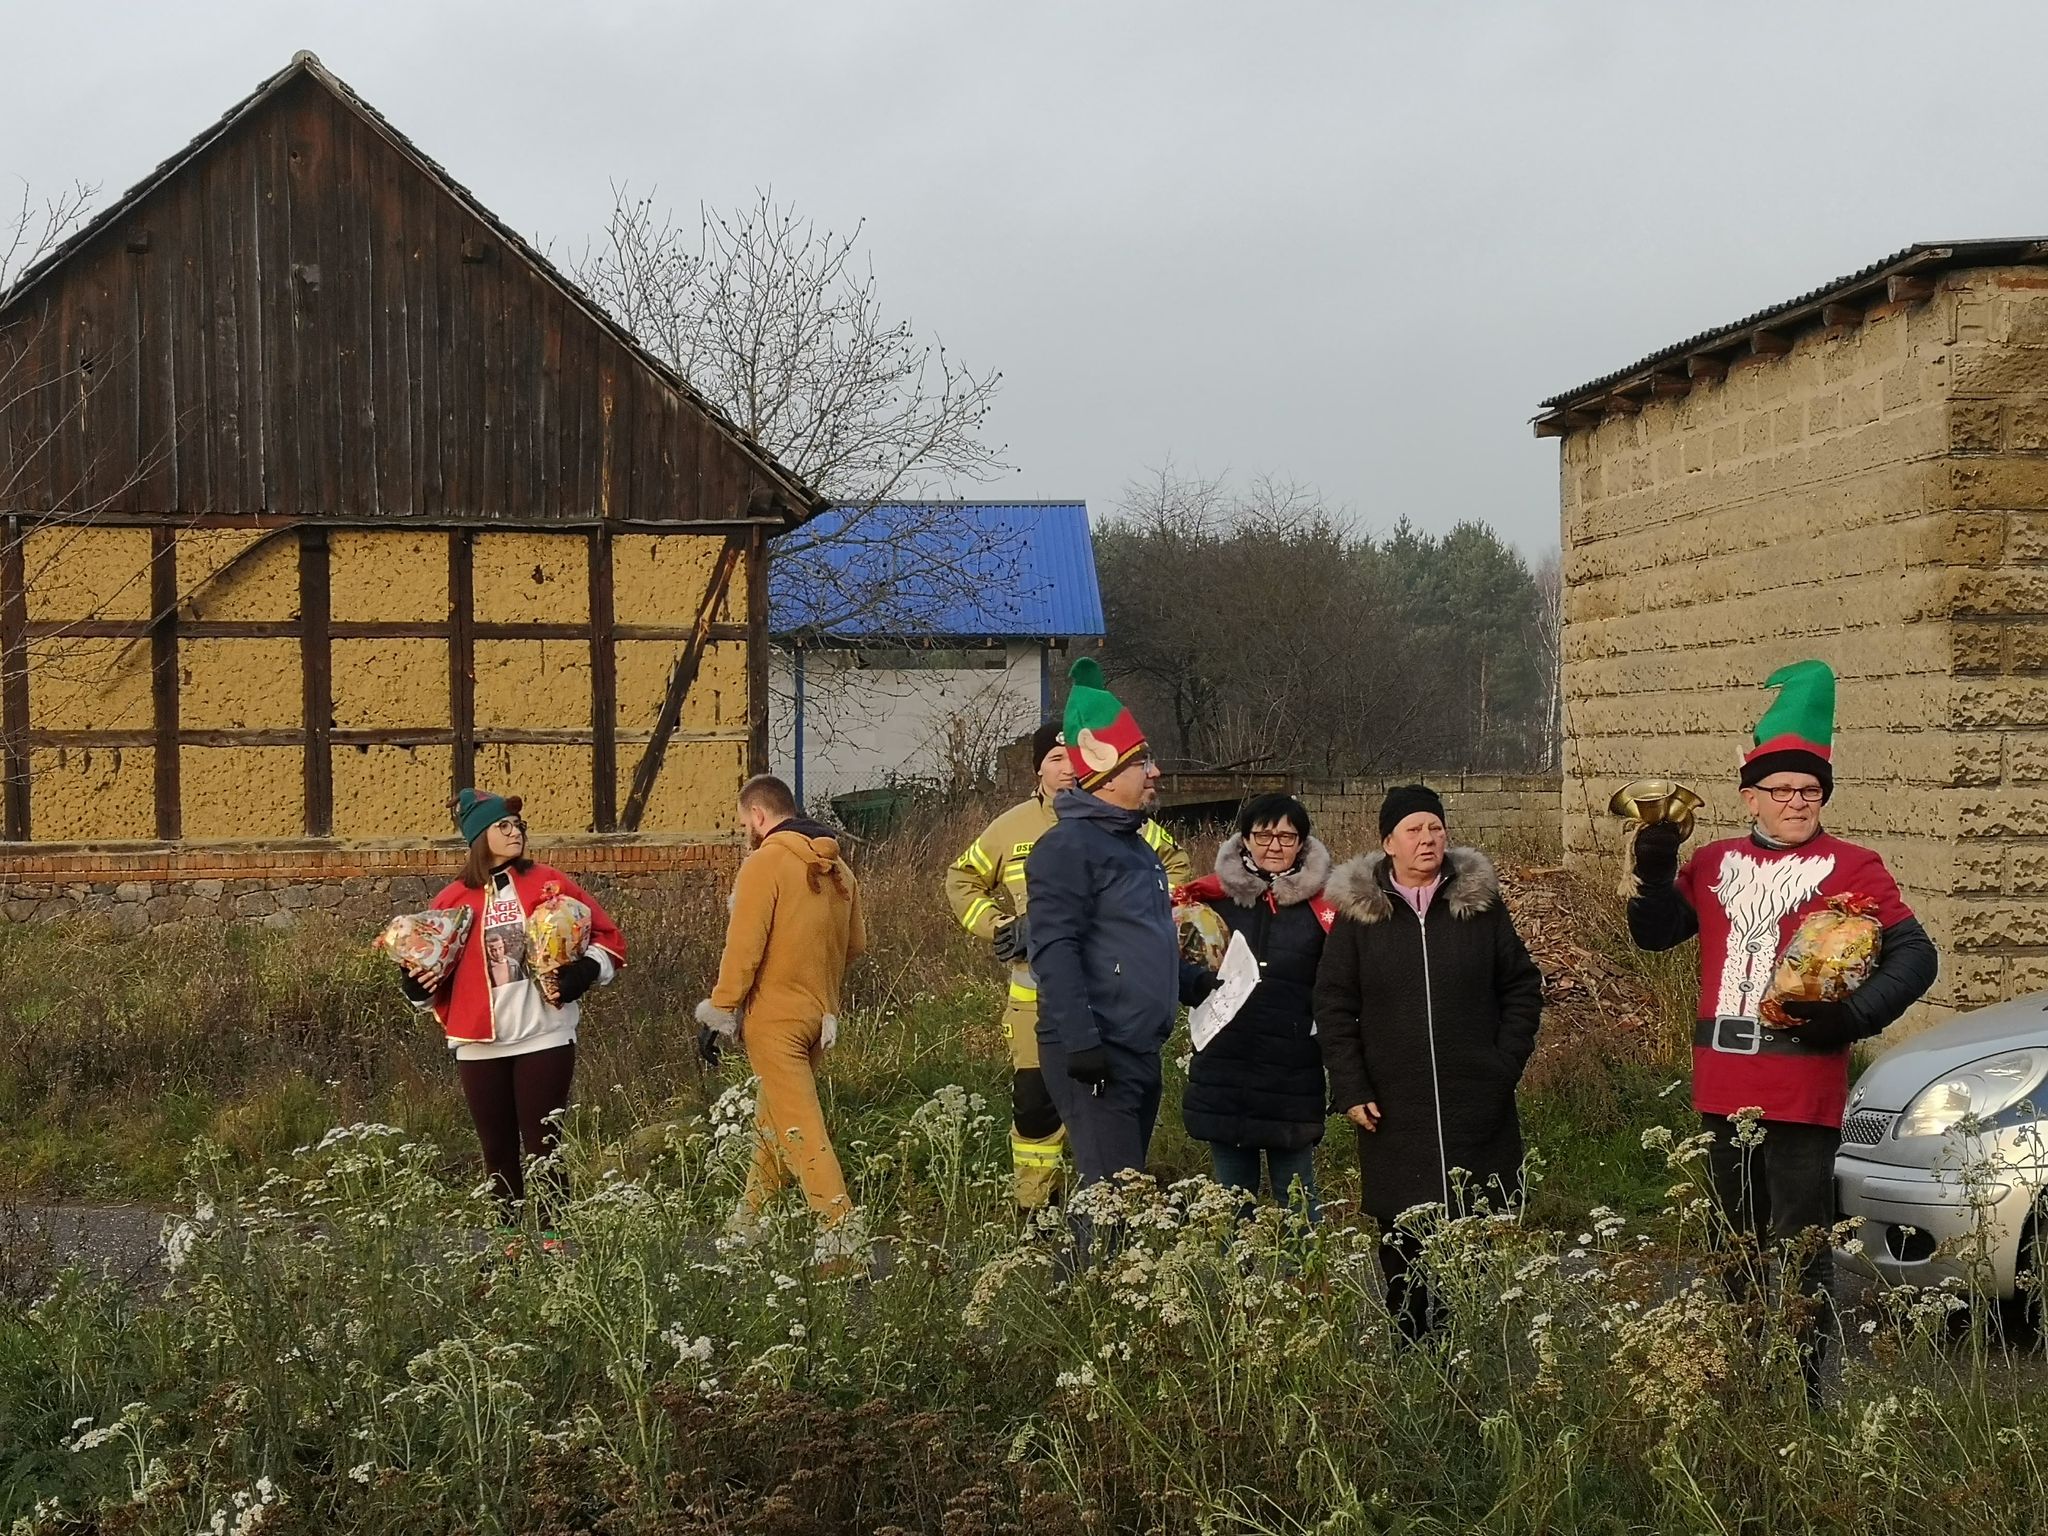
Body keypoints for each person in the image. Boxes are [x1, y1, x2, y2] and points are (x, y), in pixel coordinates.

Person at [1627, 660, 1938, 1397]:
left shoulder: (1854, 865)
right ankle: (1743, 1382)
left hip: (1802, 1083)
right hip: (1721, 1082)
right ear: (1751, 798)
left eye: (1809, 790)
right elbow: (1656, 934)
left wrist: (1853, 1016)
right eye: (1781, 791)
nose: (1797, 802)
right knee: (1730, 1245)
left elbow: (1917, 955)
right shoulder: (1713, 861)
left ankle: (1802, 1392)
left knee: (1801, 1248)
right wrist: (1654, 871)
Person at [1315, 784, 1543, 1340]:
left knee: (1479, 1226)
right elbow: (1334, 1005)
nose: (1427, 839)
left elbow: (1520, 987)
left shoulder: (1479, 907)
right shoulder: (1360, 917)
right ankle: (1416, 1351)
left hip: (1476, 1098)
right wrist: (1351, 1086)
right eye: (1413, 830)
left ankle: (1478, 1345)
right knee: (1403, 1234)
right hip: (1394, 1106)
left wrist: (1504, 1064)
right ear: (1388, 843)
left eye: (1435, 828)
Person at [945, 721, 1191, 1220]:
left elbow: (1175, 871)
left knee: (1105, 1146)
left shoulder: (1130, 828)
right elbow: (961, 878)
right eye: (1054, 760)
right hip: (1037, 1002)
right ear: (1038, 770)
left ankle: (1089, 1218)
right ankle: (1037, 1209)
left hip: (1111, 1010)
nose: (1065, 769)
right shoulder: (1013, 827)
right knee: (1036, 1109)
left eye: (1072, 759)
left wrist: (1150, 928)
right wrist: (1001, 927)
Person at [394, 788, 625, 1248]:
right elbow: (430, 969)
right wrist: (416, 986)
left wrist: (583, 972)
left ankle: (555, 1241)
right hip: (478, 1041)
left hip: (544, 1033)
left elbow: (608, 937)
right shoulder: (452, 900)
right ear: (480, 836)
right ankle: (508, 1244)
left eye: (518, 825)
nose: (515, 831)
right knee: (496, 1149)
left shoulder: (549, 881)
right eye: (503, 825)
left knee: (544, 1146)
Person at [1026, 659, 1215, 1213]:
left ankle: (1099, 1265)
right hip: (1097, 1049)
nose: (1155, 772)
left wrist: (1192, 983)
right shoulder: (1067, 848)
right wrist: (1081, 1042)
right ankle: (1093, 1270)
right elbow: (1054, 949)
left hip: (1138, 1047)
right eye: (1142, 762)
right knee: (1112, 1197)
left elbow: (1137, 940)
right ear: (1106, 775)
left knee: (1124, 1189)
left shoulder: (1137, 848)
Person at [695, 774, 866, 1258]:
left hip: (773, 1018)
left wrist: (719, 1011)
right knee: (774, 1124)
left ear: (758, 815)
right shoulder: (838, 868)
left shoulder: (764, 864)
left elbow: (743, 948)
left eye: (743, 822)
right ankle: (749, 1223)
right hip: (820, 1017)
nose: (744, 831)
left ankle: (840, 1234)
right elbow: (856, 944)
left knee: (801, 1129)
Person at [1175, 792, 1335, 1221]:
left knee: (1298, 1200)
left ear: (1302, 843)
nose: (1274, 846)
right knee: (1231, 1204)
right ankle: (1236, 1268)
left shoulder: (1326, 907)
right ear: (1245, 839)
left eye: (1287, 836)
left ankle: (1304, 1267)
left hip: (1291, 1071)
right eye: (1263, 835)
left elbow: (1342, 985)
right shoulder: (1208, 900)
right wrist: (1194, 983)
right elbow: (1172, 966)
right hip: (1224, 1068)